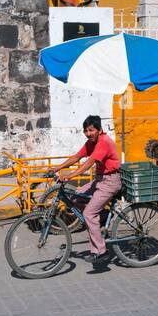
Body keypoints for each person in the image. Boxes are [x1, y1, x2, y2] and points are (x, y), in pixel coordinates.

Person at [54, 114, 122, 270]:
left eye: (91, 130)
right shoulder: (91, 142)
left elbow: (89, 162)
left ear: (99, 130)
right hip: (100, 180)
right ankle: (101, 219)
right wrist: (58, 168)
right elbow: (77, 157)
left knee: (89, 214)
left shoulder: (103, 142)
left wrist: (70, 176)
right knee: (74, 198)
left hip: (110, 182)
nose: (88, 133)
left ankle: (102, 251)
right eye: (86, 130)